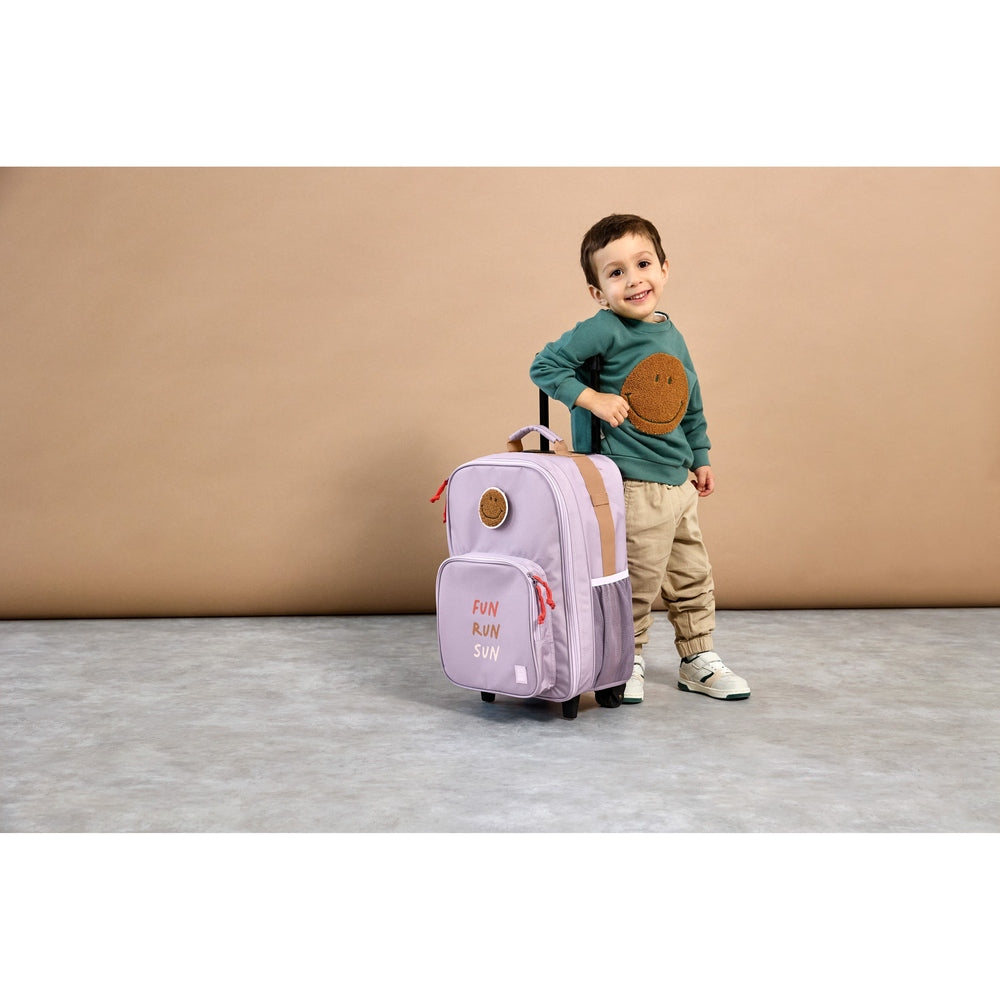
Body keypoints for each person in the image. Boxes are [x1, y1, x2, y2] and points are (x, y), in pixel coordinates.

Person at [529, 214, 750, 704]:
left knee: (692, 576)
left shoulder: (671, 334)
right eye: (616, 273)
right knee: (635, 581)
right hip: (630, 483)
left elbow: (689, 401)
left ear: (664, 269)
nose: (633, 280)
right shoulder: (603, 329)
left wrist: (701, 457)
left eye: (643, 264)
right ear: (598, 292)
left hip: (678, 482)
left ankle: (698, 658)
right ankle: (624, 658)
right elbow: (544, 365)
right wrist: (591, 399)